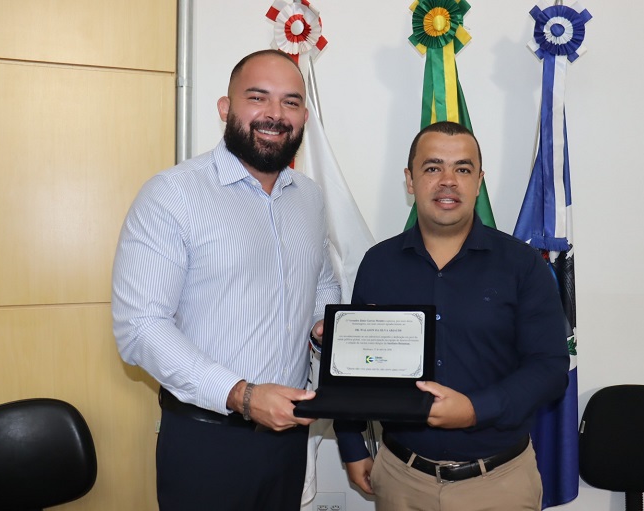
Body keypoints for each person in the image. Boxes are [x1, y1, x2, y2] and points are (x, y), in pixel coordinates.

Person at [112, 49, 340, 511]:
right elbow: (140, 328)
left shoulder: (309, 198)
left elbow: (321, 283)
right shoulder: (173, 194)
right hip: (206, 443)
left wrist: (325, 326)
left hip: (289, 441)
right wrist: (242, 395)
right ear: (225, 107)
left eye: (291, 102)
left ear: (304, 117)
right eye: (258, 97)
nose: (275, 114)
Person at [334, 121, 570, 511]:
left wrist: (475, 410)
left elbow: (549, 369)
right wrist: (351, 444)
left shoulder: (522, 265)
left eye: (462, 168)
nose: (448, 180)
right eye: (433, 167)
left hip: (499, 484)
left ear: (479, 182)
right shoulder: (378, 264)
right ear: (410, 180)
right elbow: (356, 366)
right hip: (401, 481)